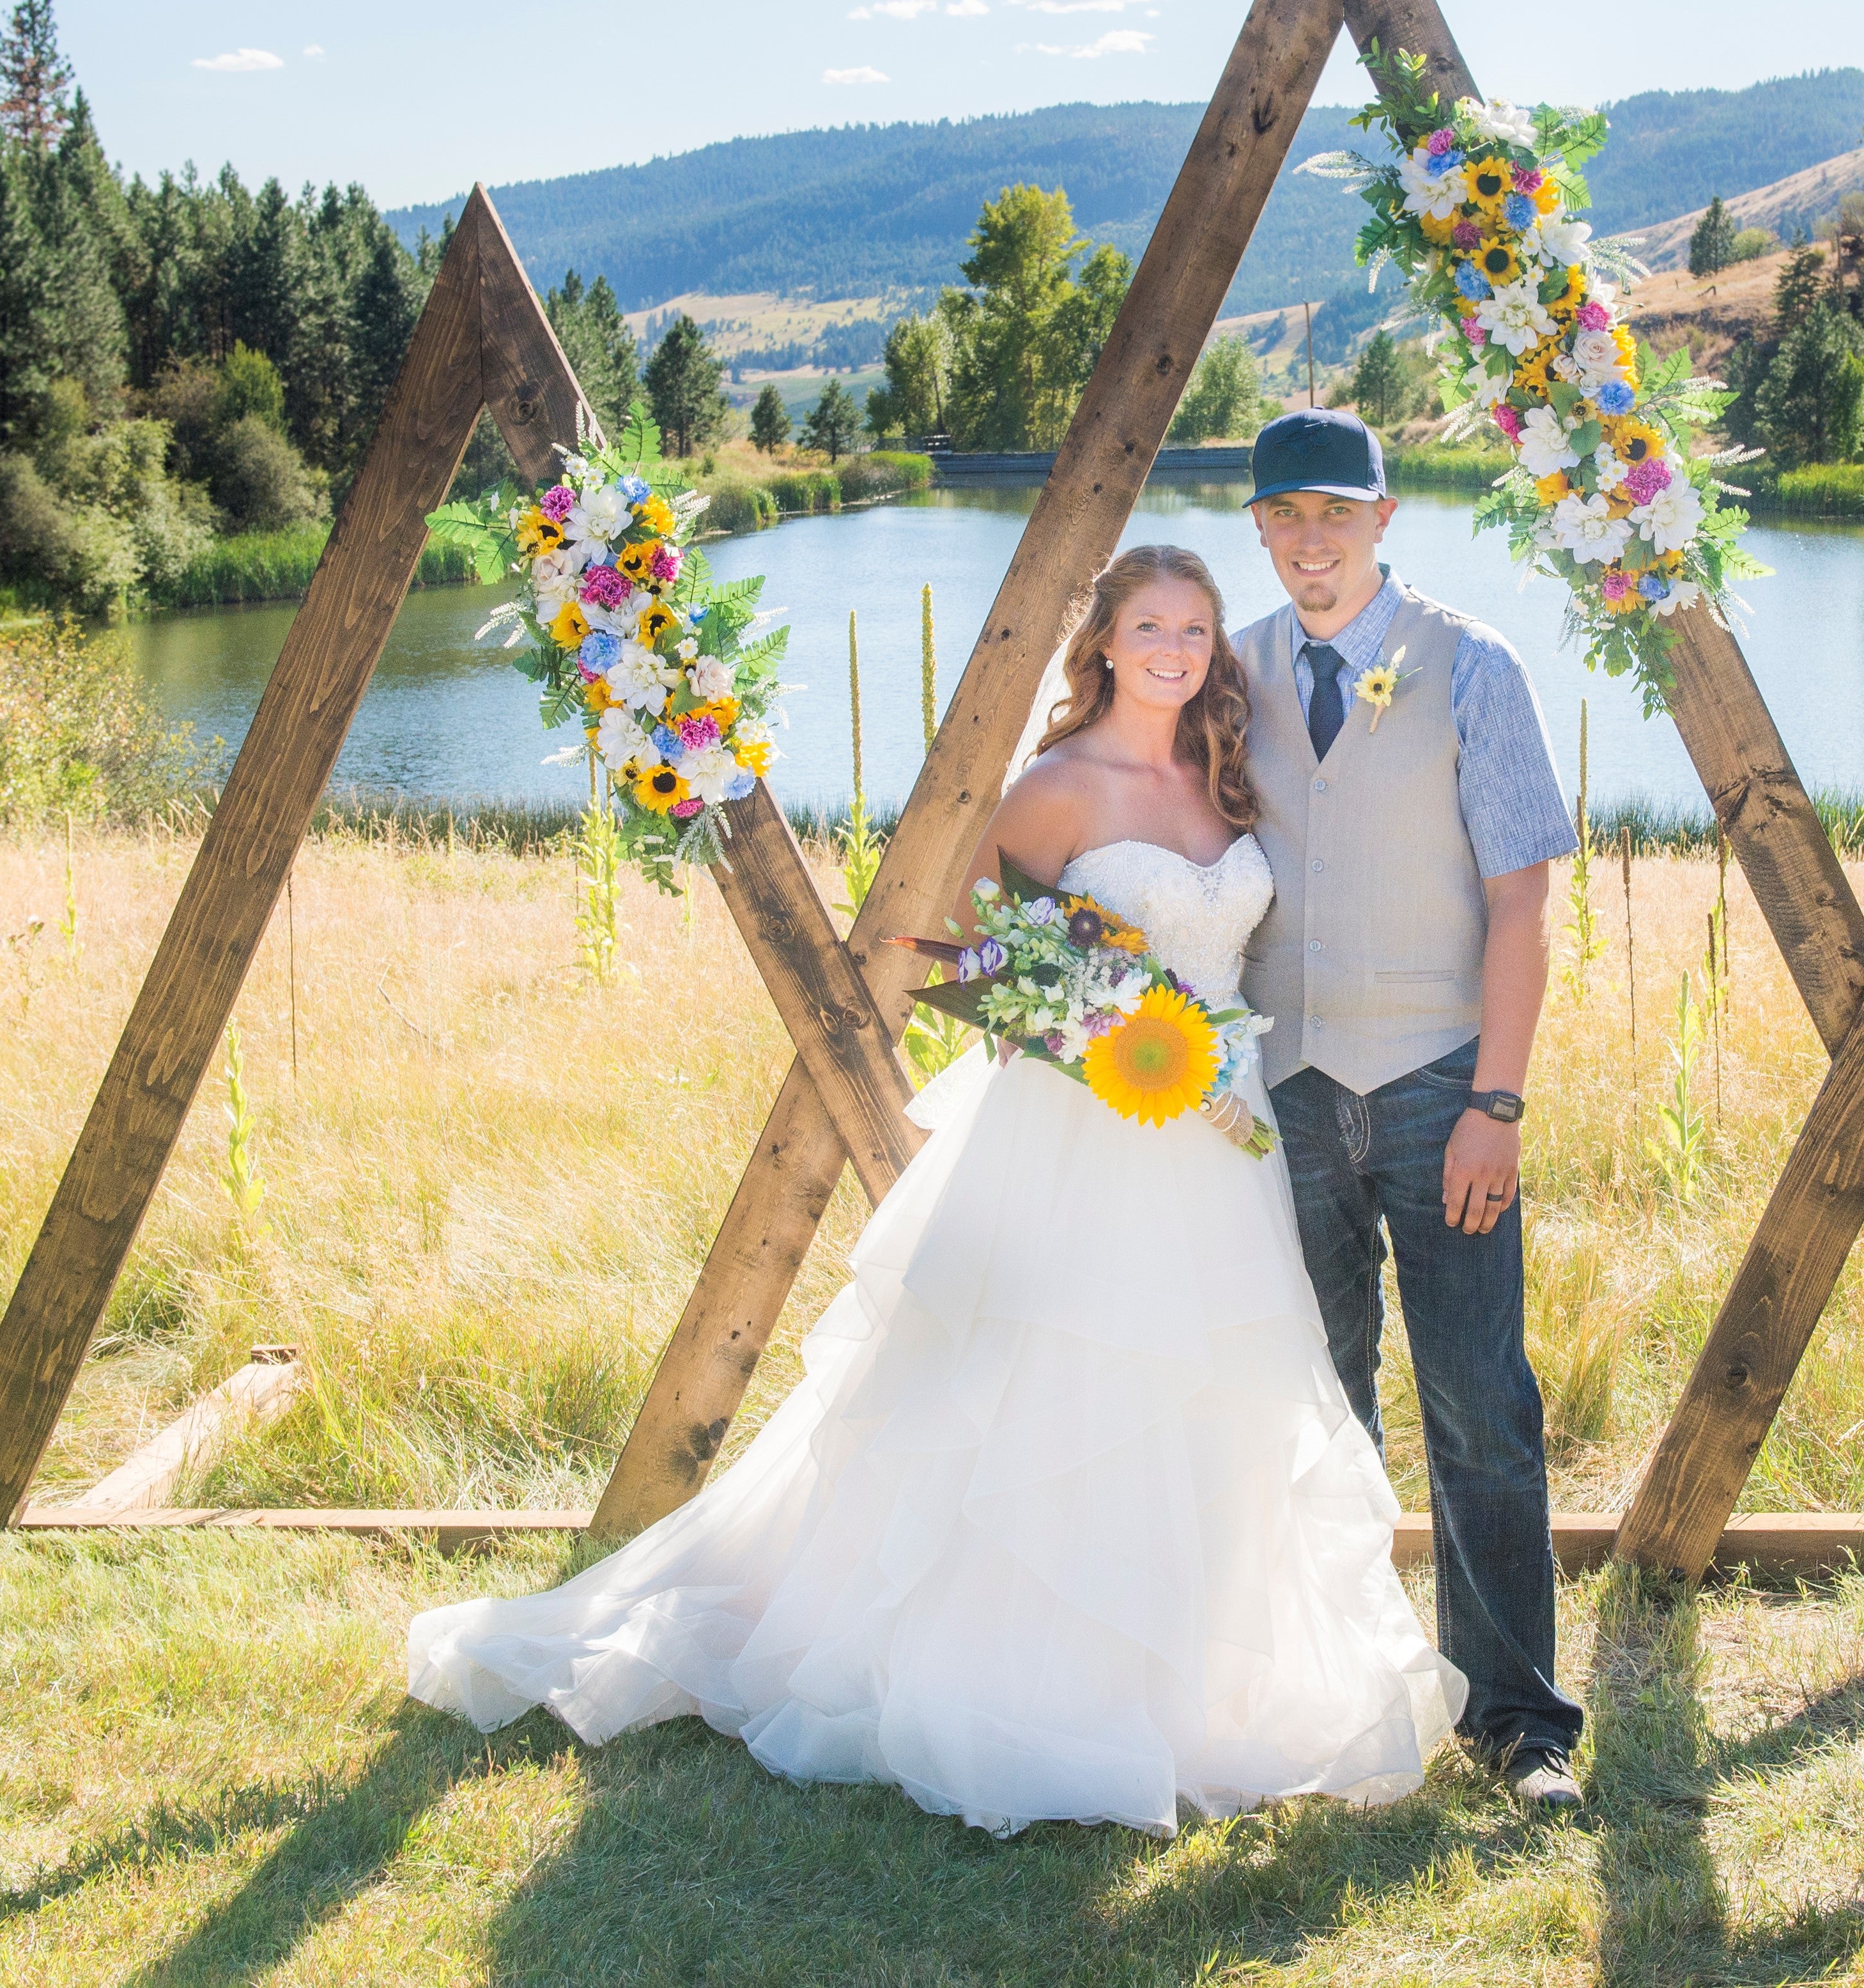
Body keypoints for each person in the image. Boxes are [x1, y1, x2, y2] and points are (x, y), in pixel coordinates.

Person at [408, 544, 1464, 1835]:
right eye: (1149, 625)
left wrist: (1199, 1054)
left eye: (1194, 627)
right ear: (1106, 642)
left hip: (1219, 1149)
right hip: (1086, 1142)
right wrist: (1101, 1026)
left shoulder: (1222, 777)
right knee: (1056, 1389)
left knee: (1204, 1392)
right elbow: (973, 967)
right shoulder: (1056, 787)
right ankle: (1030, 1675)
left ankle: (1186, 1675)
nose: (1176, 648)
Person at [1231, 406, 1586, 1812]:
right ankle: (1334, 1695)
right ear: (1256, 527)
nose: (1309, 539)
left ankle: (1518, 1723)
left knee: (1478, 1405)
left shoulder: (1472, 665)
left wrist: (1495, 1098)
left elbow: (1521, 901)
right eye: (1282, 515)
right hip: (1283, 1091)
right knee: (1309, 1402)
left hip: (1442, 1083)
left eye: (1335, 511)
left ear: (1384, 516)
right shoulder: (1226, 671)